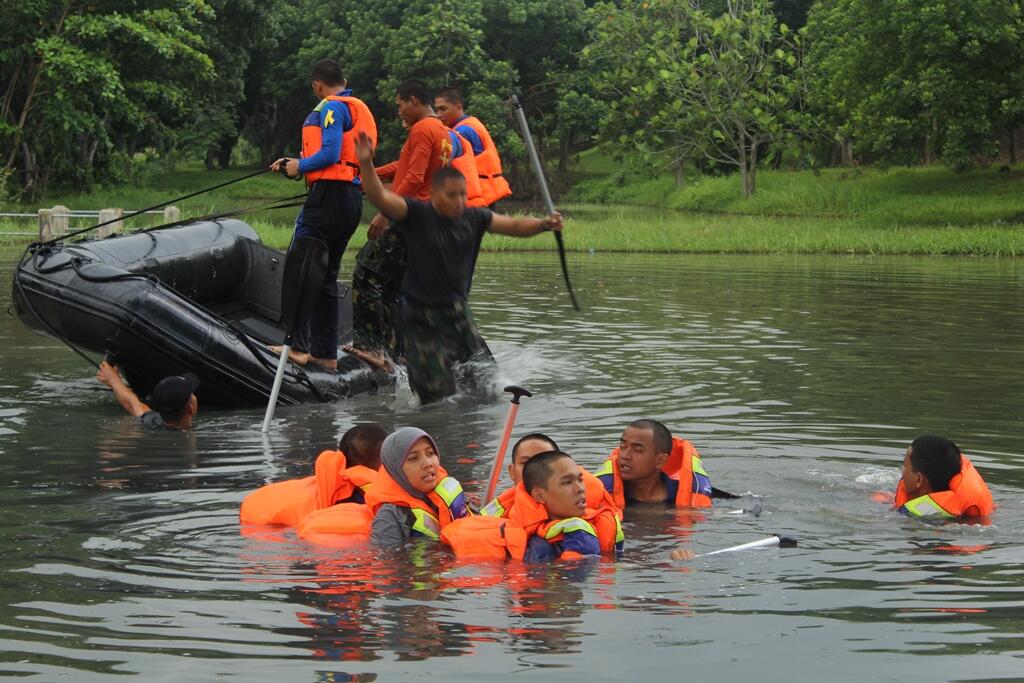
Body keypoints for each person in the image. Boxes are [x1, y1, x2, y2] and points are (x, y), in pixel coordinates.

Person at [353, 131, 564, 404]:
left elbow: (512, 226)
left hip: (456, 313)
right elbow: (380, 197)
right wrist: (367, 164)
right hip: (421, 319)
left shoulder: (474, 217)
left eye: (463, 195)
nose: (460, 202)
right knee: (435, 398)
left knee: (487, 385)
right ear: (436, 194)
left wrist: (543, 224)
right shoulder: (416, 214)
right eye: (452, 196)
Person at [269, 58, 376, 371]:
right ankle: (326, 354)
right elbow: (336, 155)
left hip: (328, 198)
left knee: (301, 268)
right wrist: (296, 164)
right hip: (351, 199)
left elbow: (329, 153)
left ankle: (299, 347)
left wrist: (299, 166)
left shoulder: (332, 106)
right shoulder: (358, 107)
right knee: (326, 279)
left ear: (317, 84)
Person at [350, 79, 452, 356]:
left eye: (400, 105)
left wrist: (385, 212)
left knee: (366, 273)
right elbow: (406, 167)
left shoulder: (421, 129)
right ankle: (396, 353)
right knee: (393, 285)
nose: (399, 112)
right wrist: (370, 174)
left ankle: (372, 348)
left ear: (414, 101)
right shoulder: (442, 131)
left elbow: (415, 177)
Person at [443, 451, 623, 562]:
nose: (580, 489)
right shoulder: (532, 540)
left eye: (580, 479)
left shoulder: (586, 527)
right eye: (567, 482)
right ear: (538, 495)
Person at [240, 424, 387, 529]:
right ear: (384, 460)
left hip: (256, 515)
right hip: (265, 524)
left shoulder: (328, 483)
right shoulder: (365, 497)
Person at [367, 427, 470, 547]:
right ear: (396, 469)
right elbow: (387, 562)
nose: (428, 463)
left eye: (430, 453)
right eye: (413, 458)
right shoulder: (390, 516)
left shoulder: (448, 491)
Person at [481, 433, 617, 519]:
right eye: (526, 462)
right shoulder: (495, 517)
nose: (535, 470)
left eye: (546, 462)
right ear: (511, 472)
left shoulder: (595, 510)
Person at [595, 419, 713, 510]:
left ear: (660, 461)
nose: (625, 456)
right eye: (622, 447)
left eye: (637, 450)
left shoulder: (693, 497)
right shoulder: (602, 494)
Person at [434, 87, 513, 208]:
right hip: (486, 193)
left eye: (443, 109)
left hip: (478, 197)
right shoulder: (471, 124)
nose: (438, 114)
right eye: (437, 110)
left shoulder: (463, 131)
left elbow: (443, 160)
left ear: (458, 107)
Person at [893, 435, 995, 520]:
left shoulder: (962, 516)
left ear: (918, 479)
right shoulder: (951, 468)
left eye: (905, 466)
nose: (902, 472)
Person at [95, 360, 198, 430]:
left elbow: (132, 403)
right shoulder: (193, 441)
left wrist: (113, 380)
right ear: (192, 408)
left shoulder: (152, 421)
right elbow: (132, 403)